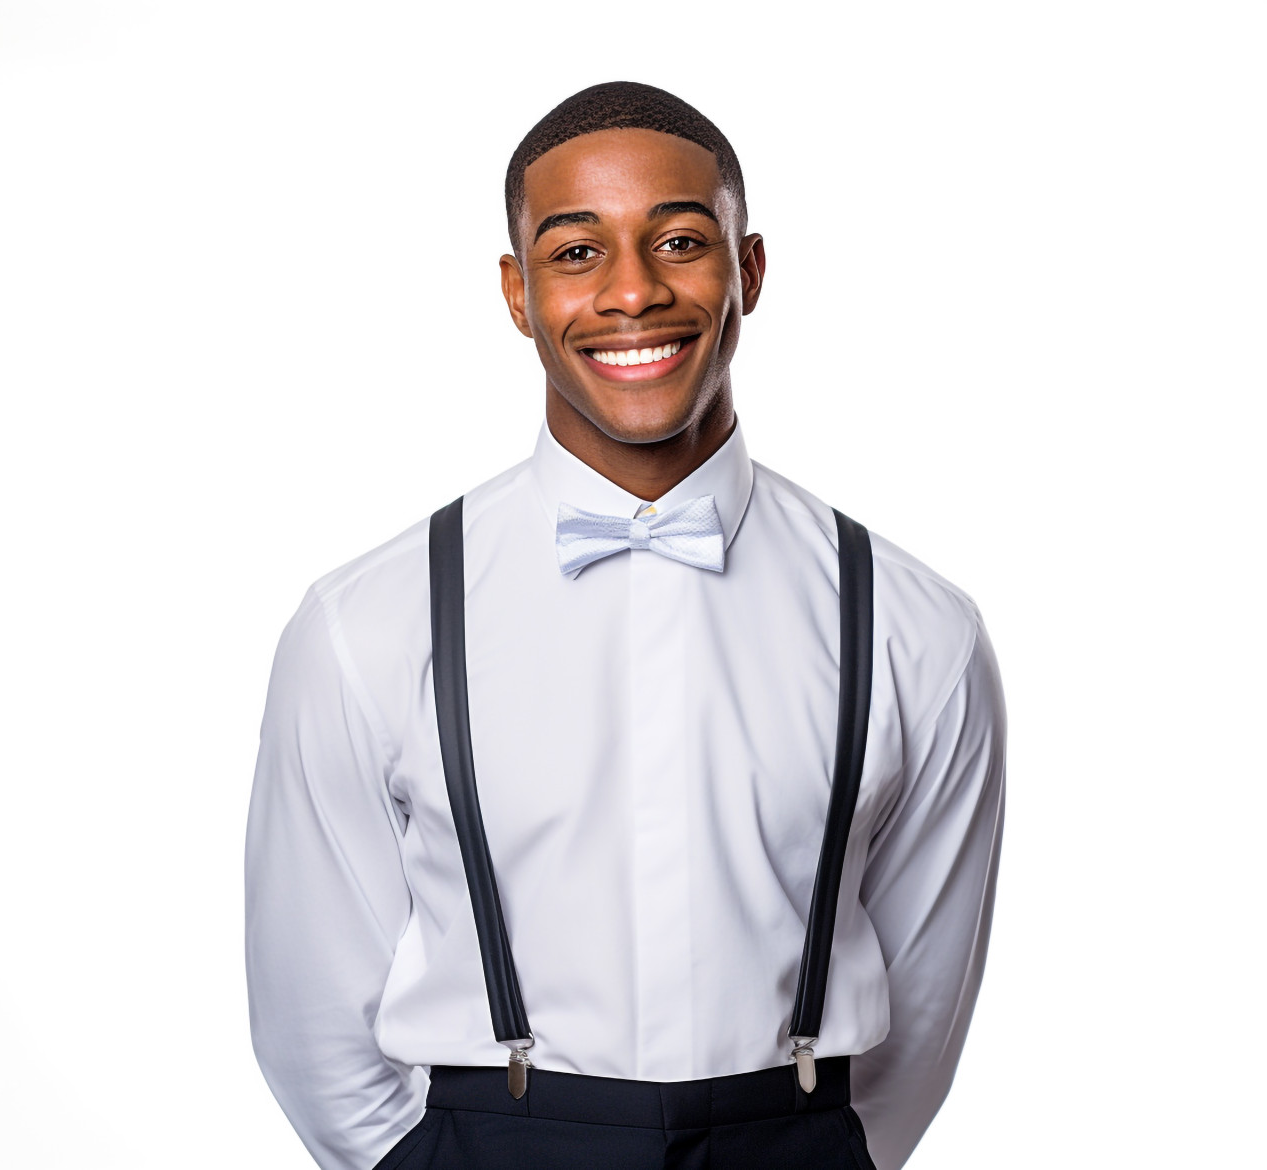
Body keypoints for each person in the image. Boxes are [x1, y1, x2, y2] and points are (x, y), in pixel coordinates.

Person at [245, 80, 1006, 1170]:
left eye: (680, 241)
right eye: (575, 252)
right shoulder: (364, 626)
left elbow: (920, 1020)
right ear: (518, 293)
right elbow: (312, 1020)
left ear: (748, 270)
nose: (634, 291)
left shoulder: (914, 628)